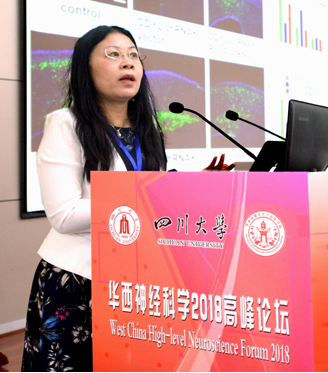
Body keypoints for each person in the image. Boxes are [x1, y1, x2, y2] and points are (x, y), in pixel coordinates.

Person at [23, 25, 228, 371]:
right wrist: (145, 199)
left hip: (133, 279)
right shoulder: (66, 123)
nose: (128, 62)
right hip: (77, 281)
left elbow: (150, 199)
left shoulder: (146, 131)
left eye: (134, 55)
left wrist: (189, 186)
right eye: (113, 54)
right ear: (85, 68)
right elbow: (64, 215)